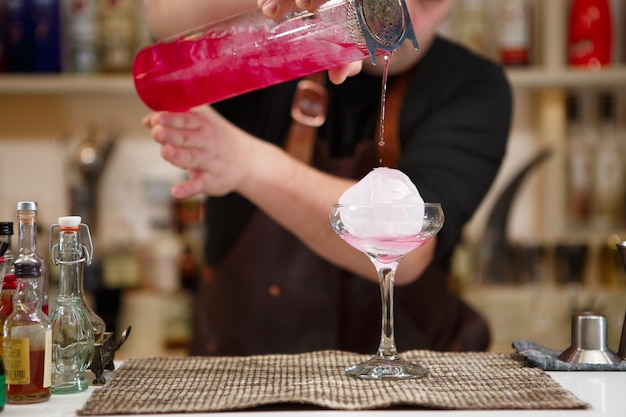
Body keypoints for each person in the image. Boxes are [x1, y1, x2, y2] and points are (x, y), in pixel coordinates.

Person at [142, 0, 512, 356]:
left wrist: (246, 164)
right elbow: (163, 16)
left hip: (406, 387)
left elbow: (408, 242)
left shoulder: (473, 84)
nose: (402, 10)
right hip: (249, 377)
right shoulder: (280, 46)